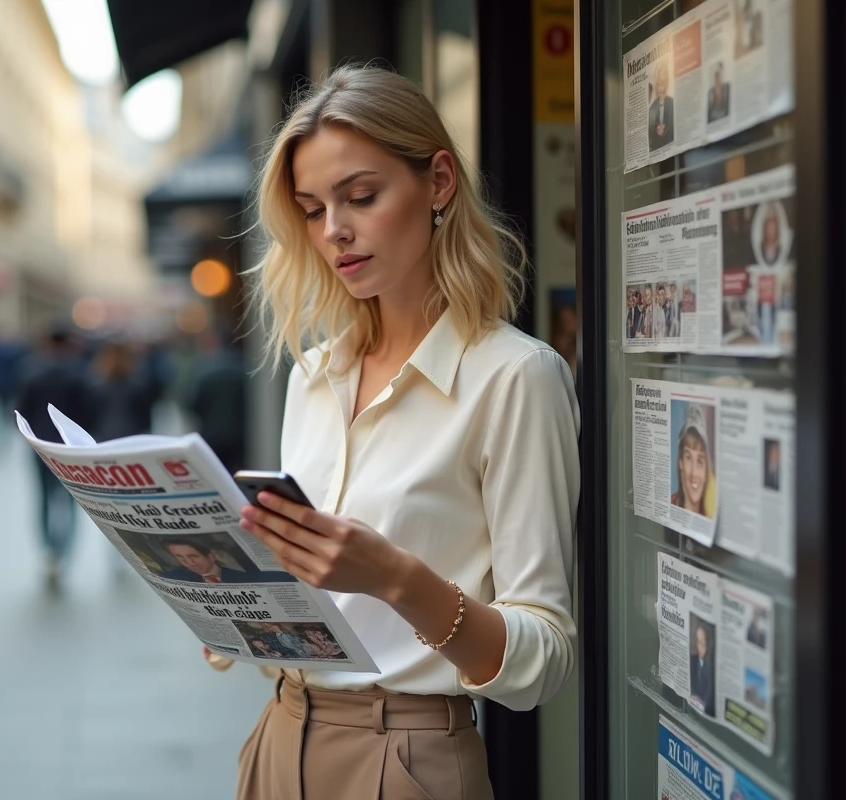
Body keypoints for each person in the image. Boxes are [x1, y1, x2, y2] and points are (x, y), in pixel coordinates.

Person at [225, 66, 579, 799]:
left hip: (408, 756)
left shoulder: (515, 376)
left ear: (439, 181)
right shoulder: (314, 375)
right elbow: (317, 599)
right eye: (312, 208)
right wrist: (233, 598)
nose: (335, 231)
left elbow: (544, 660)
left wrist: (398, 579)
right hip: (278, 735)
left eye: (361, 196)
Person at [16, 325, 91, 586]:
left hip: (41, 446)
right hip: (70, 449)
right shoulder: (78, 372)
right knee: (70, 502)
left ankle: (49, 550)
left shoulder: (32, 371)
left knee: (44, 499)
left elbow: (20, 409)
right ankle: (65, 551)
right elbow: (87, 412)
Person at [185, 329, 248, 475]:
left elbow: (192, 404)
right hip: (239, 433)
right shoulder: (243, 366)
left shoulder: (204, 369)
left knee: (216, 473)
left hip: (212, 434)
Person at [157, 538, 295, 584]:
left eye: (193, 556)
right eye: (180, 558)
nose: (189, 563)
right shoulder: (173, 579)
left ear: (210, 556)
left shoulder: (246, 578)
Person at [671, 405, 717, 517]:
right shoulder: (668, 506)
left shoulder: (712, 517)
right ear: (680, 462)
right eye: (688, 457)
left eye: (700, 461)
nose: (693, 473)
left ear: (707, 472)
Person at [689, 622, 716, 716]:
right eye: (698, 641)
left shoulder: (712, 668)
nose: (701, 646)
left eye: (703, 642)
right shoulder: (691, 661)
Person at [648, 62, 675, 151]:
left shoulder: (672, 103)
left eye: (664, 76)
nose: (661, 79)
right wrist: (657, 128)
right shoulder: (652, 108)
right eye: (659, 78)